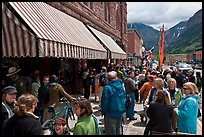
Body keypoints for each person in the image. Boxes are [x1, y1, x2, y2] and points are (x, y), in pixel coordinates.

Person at [101, 71, 126, 135]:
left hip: (110, 113)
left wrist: (104, 112)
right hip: (120, 111)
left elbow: (104, 102)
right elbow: (124, 97)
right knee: (119, 130)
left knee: (110, 131)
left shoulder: (107, 88)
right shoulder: (120, 86)